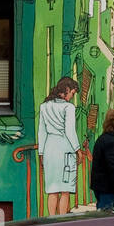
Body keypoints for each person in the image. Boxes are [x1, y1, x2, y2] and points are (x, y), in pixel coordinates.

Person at [38, 76, 80, 215]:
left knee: (52, 189)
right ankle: (62, 220)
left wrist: (41, 153)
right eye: (72, 93)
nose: (72, 97)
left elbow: (42, 131)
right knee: (65, 189)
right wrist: (77, 149)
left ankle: (51, 219)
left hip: (50, 148)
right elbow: (69, 131)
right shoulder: (69, 107)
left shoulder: (44, 106)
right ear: (67, 90)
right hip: (65, 148)